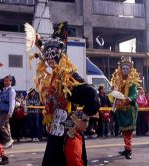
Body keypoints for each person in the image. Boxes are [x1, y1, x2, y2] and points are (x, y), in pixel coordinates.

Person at [25, 22, 100, 166]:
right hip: (55, 133)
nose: (50, 57)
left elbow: (92, 95)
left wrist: (84, 118)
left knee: (72, 162)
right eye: (47, 54)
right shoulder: (54, 77)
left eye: (53, 53)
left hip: (68, 133)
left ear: (61, 54)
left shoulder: (68, 76)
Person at [110, 56, 140, 159]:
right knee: (124, 131)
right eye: (123, 68)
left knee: (128, 131)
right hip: (120, 109)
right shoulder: (117, 82)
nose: (125, 70)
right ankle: (127, 149)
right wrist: (112, 93)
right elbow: (114, 95)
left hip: (129, 109)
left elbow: (134, 95)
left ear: (130, 70)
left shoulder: (132, 83)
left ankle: (129, 150)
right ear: (120, 69)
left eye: (127, 68)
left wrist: (129, 98)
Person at [0, 75, 16, 148]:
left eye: (8, 81)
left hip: (6, 111)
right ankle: (9, 143)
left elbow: (12, 102)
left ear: (11, 82)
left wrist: (10, 112)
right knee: (6, 126)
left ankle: (8, 139)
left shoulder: (11, 90)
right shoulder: (3, 90)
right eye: (5, 81)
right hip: (2, 110)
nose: (6, 82)